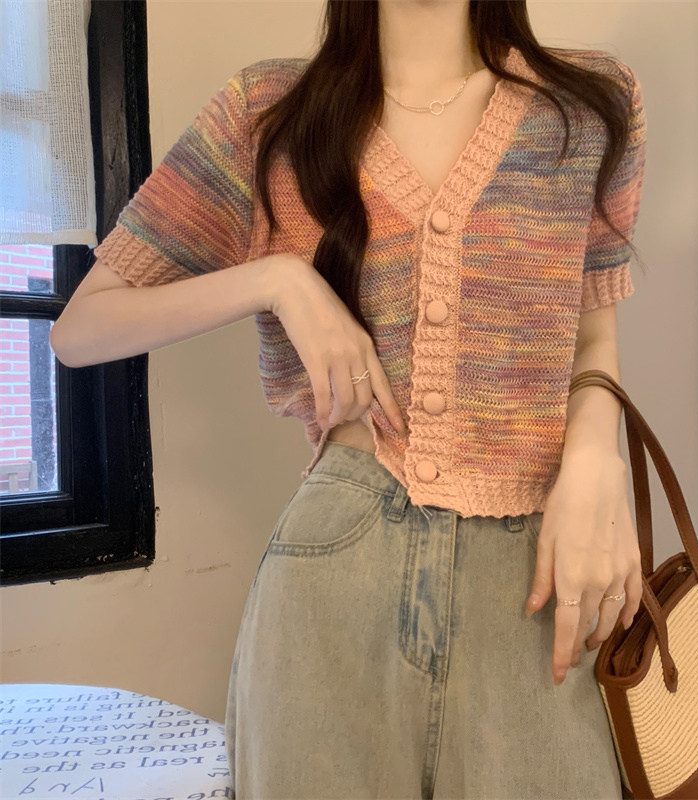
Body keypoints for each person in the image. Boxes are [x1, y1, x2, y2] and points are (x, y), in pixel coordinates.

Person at [51, 0, 648, 797]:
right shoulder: (266, 115)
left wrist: (597, 458)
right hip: (336, 573)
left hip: (538, 578)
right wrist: (277, 280)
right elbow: (82, 328)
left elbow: (593, 337)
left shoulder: (590, 106)